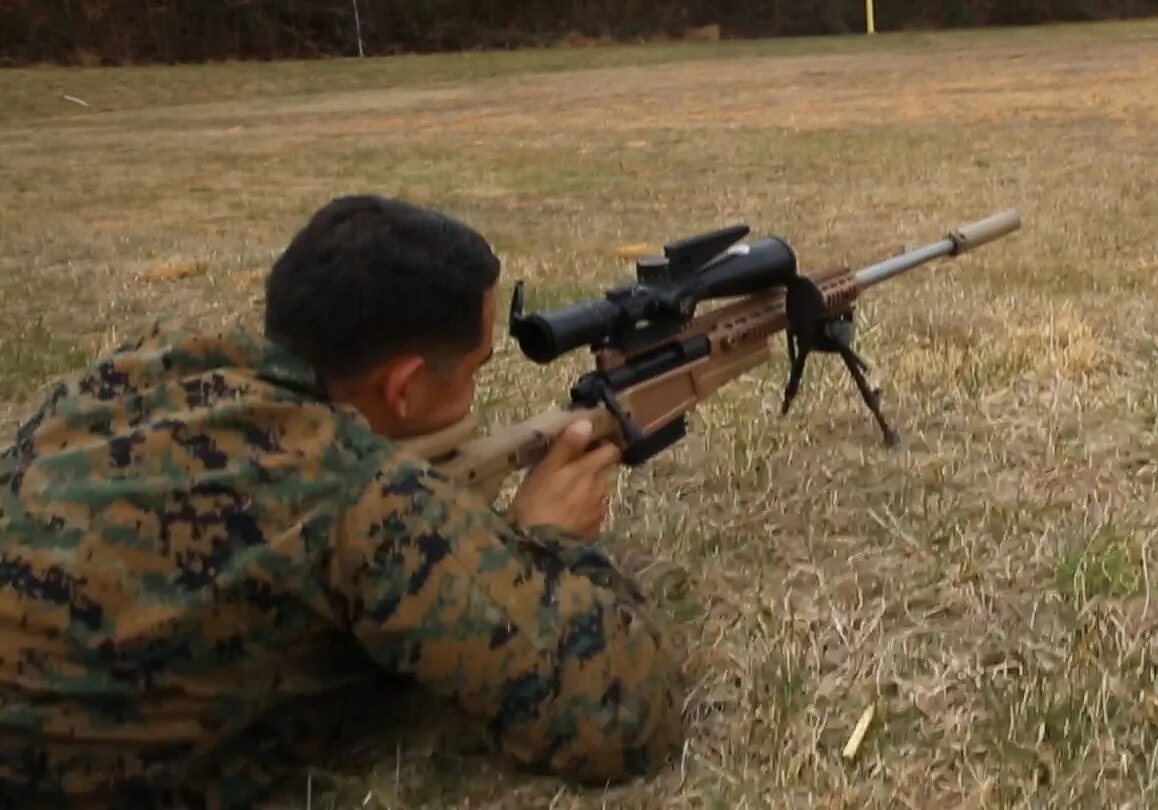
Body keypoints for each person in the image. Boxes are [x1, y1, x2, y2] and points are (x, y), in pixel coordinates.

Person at [0, 195, 685, 806]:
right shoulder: (361, 496)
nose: (473, 393)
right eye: (474, 371)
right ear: (404, 387)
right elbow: (621, 720)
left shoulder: (135, 373)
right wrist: (551, 538)